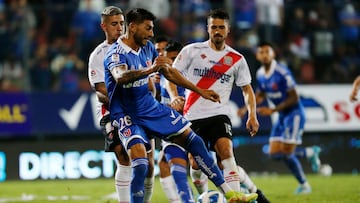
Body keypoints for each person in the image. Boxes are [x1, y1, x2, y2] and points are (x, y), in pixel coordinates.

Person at [104, 8, 258, 203]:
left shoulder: (148, 48)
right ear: (132, 27)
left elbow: (169, 73)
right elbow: (120, 77)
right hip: (126, 114)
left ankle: (230, 193)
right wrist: (151, 69)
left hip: (150, 108)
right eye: (148, 28)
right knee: (142, 164)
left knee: (194, 141)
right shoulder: (115, 54)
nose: (152, 34)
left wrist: (200, 90)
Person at [168, 9, 270, 203]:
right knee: (196, 165)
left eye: (221, 27)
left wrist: (252, 115)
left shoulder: (237, 59)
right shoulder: (192, 51)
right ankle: (203, 195)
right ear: (208, 29)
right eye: (213, 27)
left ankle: (236, 197)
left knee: (226, 151)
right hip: (193, 115)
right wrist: (174, 96)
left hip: (219, 114)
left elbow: (247, 89)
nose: (217, 31)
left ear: (228, 29)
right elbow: (171, 76)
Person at [88, 6, 156, 203]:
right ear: (104, 26)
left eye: (121, 24)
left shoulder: (136, 47)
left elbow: (149, 81)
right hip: (112, 112)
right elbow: (101, 92)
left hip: (140, 111)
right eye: (114, 24)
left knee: (148, 165)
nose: (119, 28)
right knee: (124, 158)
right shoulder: (98, 55)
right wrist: (125, 102)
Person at [253, 42, 318, 194]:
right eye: (261, 52)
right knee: (275, 154)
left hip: (294, 114)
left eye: (267, 52)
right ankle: (309, 153)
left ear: (273, 54)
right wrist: (246, 108)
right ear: (257, 55)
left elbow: (294, 97)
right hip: (281, 116)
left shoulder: (282, 72)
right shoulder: (260, 73)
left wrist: (273, 109)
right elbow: (261, 94)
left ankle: (304, 185)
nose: (264, 55)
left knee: (287, 154)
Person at [158, 41, 195, 203]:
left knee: (201, 168)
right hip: (171, 128)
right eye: (168, 59)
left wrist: (177, 101)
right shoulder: (161, 76)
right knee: (174, 167)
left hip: (192, 127)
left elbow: (179, 96)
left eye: (175, 58)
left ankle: (247, 188)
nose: (171, 63)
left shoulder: (188, 76)